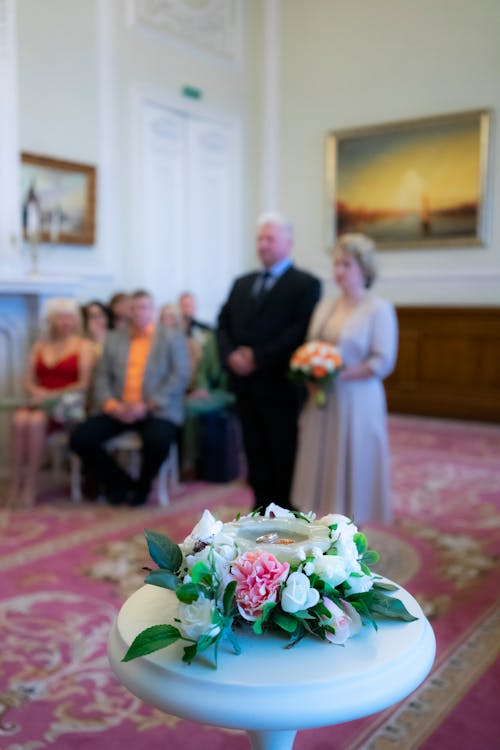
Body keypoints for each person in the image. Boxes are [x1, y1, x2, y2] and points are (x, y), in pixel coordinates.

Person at [291, 233, 398, 524]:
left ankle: (352, 529)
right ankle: (320, 526)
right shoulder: (325, 306)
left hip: (359, 399)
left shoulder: (378, 309)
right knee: (320, 461)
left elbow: (382, 359)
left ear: (364, 268)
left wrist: (339, 375)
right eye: (336, 264)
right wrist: (311, 372)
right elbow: (310, 346)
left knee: (354, 463)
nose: (338, 271)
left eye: (346, 264)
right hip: (323, 398)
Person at [217, 212, 321, 511]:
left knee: (282, 452)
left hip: (280, 386)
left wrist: (257, 357)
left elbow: (299, 331)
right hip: (244, 385)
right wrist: (231, 355)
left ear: (289, 242)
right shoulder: (242, 283)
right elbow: (222, 324)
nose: (262, 245)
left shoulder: (305, 284)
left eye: (269, 238)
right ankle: (261, 511)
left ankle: (287, 515)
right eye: (260, 238)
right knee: (254, 452)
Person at [70, 290, 191, 506]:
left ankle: (143, 486)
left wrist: (147, 405)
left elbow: (180, 375)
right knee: (81, 438)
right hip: (119, 408)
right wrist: (112, 405)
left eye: (144, 307)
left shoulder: (170, 337)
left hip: (156, 409)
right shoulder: (115, 338)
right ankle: (120, 483)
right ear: (128, 311)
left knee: (158, 440)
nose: (138, 312)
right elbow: (101, 377)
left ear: (152, 310)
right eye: (134, 308)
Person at [6, 298, 94, 507]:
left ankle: (30, 486)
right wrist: (39, 393)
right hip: (40, 400)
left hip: (69, 403)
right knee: (20, 419)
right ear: (51, 321)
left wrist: (51, 395)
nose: (65, 322)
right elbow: (27, 381)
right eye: (60, 318)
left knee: (35, 420)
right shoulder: (39, 345)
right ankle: (14, 484)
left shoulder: (84, 346)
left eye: (69, 318)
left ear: (76, 321)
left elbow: (83, 384)